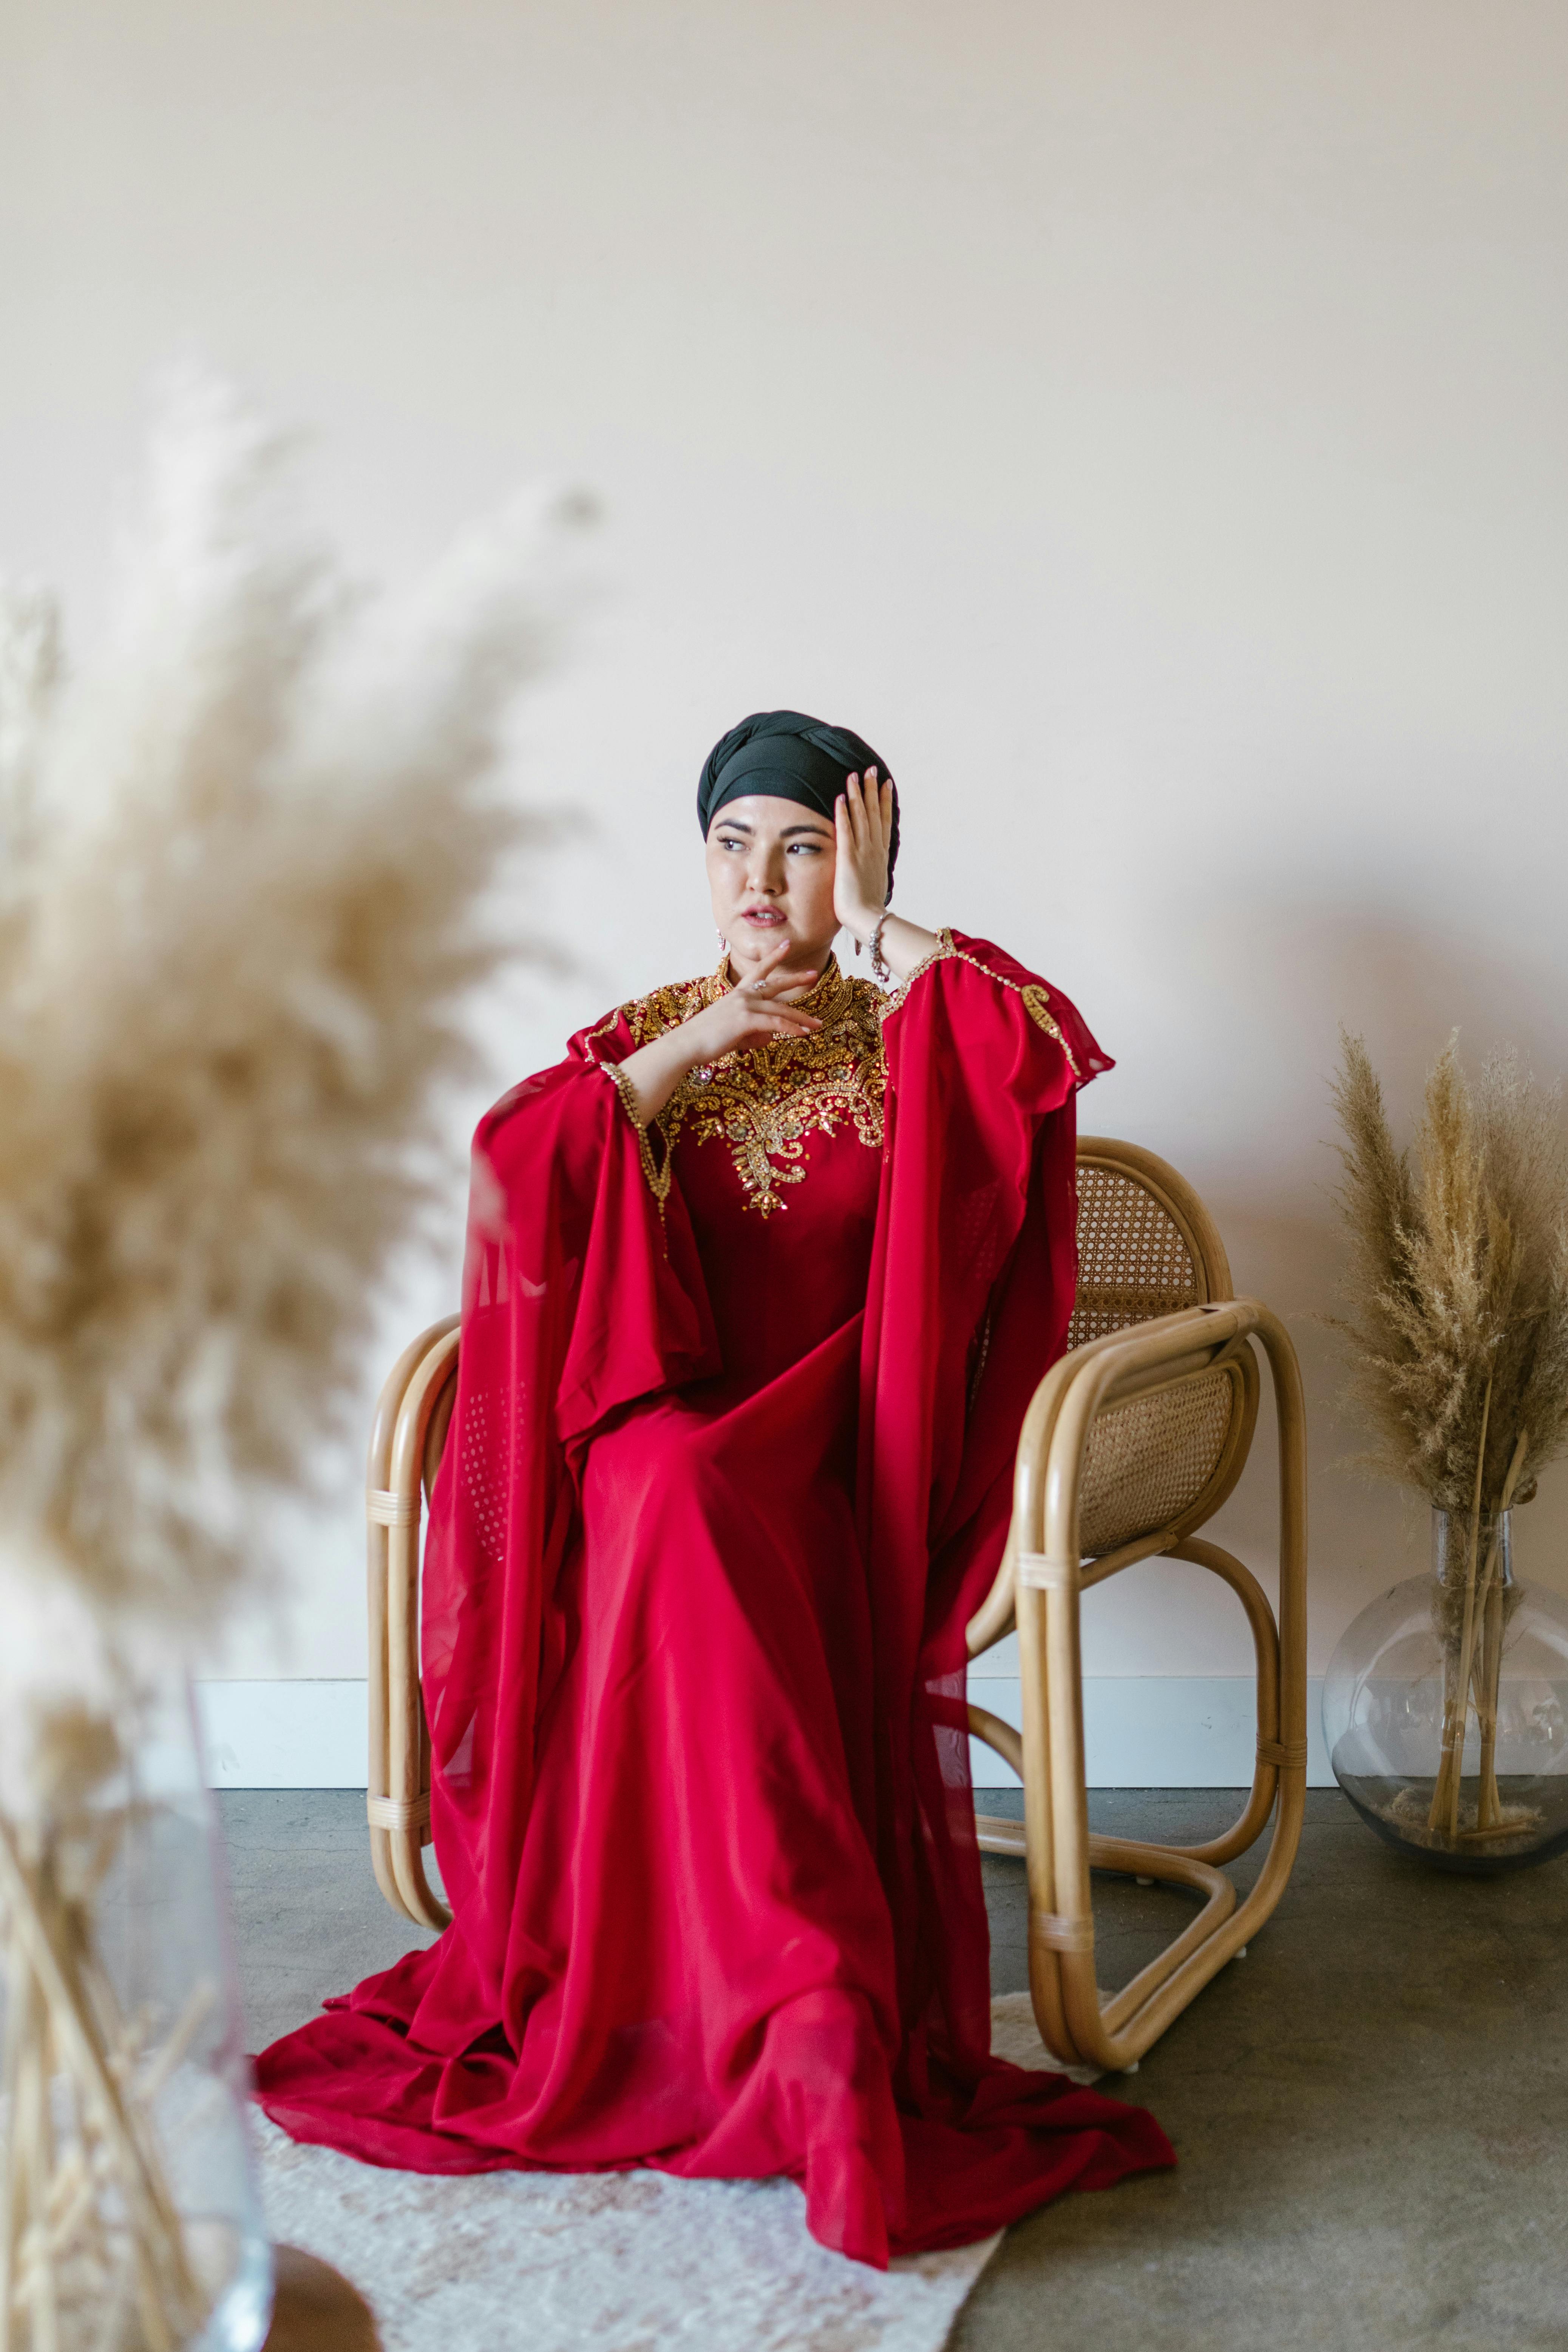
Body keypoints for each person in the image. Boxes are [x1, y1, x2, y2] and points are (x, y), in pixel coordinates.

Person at [254, 709, 1174, 2266]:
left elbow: (1045, 1044)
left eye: (805, 846)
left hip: (827, 1461)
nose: (763, 878)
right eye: (734, 844)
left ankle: (788, 2000)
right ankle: (792, 1993)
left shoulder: (914, 1038)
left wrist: (886, 935)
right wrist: (693, 1051)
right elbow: (509, 1168)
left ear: (860, 863)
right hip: (652, 1449)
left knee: (691, 1501)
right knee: (667, 1484)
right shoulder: (647, 1037)